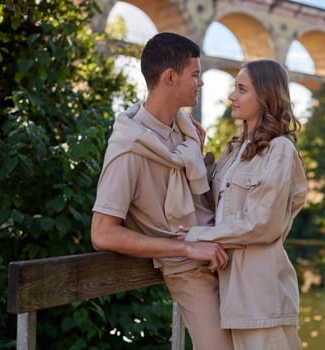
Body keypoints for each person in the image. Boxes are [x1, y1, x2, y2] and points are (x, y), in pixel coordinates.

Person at [90, 32, 234, 350]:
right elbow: (102, 234)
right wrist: (185, 249)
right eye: (195, 74)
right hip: (190, 270)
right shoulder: (130, 147)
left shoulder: (184, 133)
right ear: (170, 77)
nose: (202, 83)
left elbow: (192, 196)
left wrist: (197, 152)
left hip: (224, 257)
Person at [183, 59, 308, 350]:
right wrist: (194, 153)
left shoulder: (280, 150)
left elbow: (262, 224)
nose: (231, 96)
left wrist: (196, 237)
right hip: (230, 296)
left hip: (263, 299)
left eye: (241, 89)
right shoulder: (233, 150)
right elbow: (212, 207)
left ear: (265, 96)